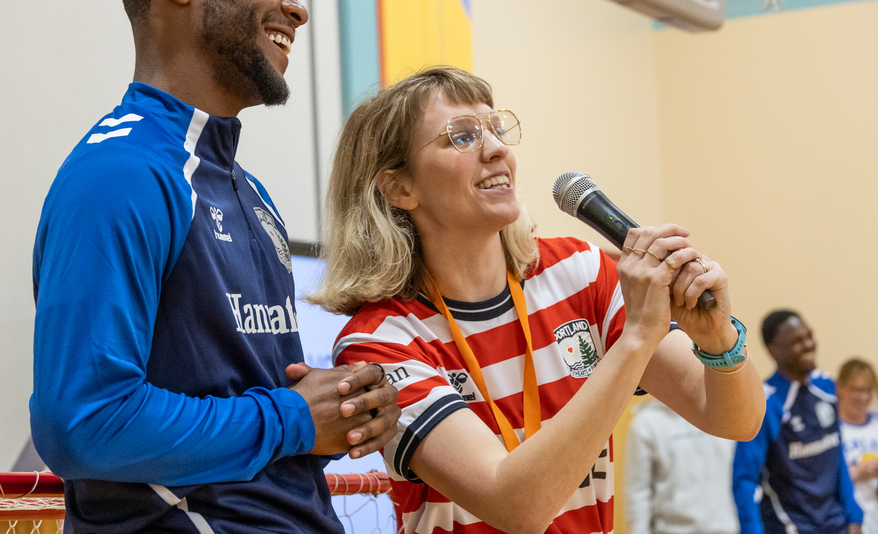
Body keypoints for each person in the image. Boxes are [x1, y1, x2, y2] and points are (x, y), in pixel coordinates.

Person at [29, 0, 400, 534]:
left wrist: (339, 411)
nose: (297, 7)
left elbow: (253, 409)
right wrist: (293, 418)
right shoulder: (121, 173)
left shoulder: (250, 193)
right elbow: (83, 423)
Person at [310, 66, 765, 534]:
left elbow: (736, 420)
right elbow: (514, 506)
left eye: (496, 128)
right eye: (461, 137)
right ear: (399, 188)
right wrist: (637, 339)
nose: (497, 149)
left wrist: (718, 340)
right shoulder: (380, 342)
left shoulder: (580, 272)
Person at [733, 310, 863, 534]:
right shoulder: (765, 403)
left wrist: (853, 515)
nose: (808, 345)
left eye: (809, 336)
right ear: (773, 350)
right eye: (797, 341)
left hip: (836, 524)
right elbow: (744, 479)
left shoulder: (827, 388)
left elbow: (836, 456)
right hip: (790, 526)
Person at [625, 397, 739, 534]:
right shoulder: (646, 423)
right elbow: (638, 494)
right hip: (672, 530)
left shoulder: (725, 413)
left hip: (725, 529)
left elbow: (742, 477)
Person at [838, 358, 878, 534]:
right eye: (857, 390)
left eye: (868, 391)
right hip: (847, 520)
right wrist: (856, 473)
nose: (863, 397)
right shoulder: (832, 430)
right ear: (841, 389)